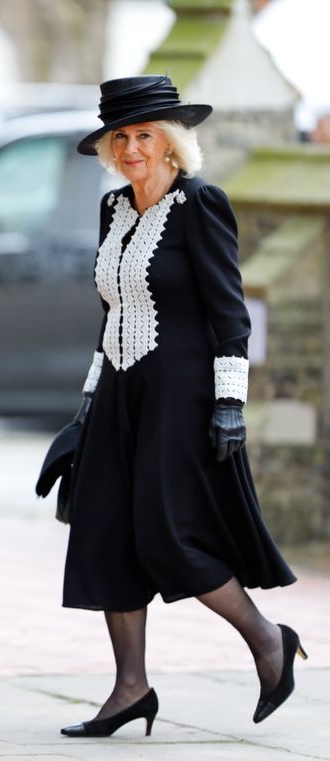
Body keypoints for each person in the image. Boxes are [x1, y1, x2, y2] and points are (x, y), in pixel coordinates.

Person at [58, 75, 303, 738]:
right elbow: (110, 313)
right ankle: (130, 688)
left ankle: (267, 637)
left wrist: (230, 401)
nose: (133, 147)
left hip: (183, 395)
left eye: (145, 134)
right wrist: (87, 401)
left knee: (172, 532)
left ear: (171, 142)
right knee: (107, 529)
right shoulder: (113, 209)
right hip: (118, 391)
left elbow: (231, 311)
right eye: (122, 136)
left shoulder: (201, 204)